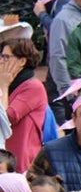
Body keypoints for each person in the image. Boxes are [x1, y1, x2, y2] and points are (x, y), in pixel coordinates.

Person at [0, 38, 48, 170]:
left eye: (6, 57)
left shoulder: (33, 87)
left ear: (22, 61)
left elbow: (7, 118)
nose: (1, 61)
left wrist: (3, 86)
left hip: (19, 162)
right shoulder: (6, 83)